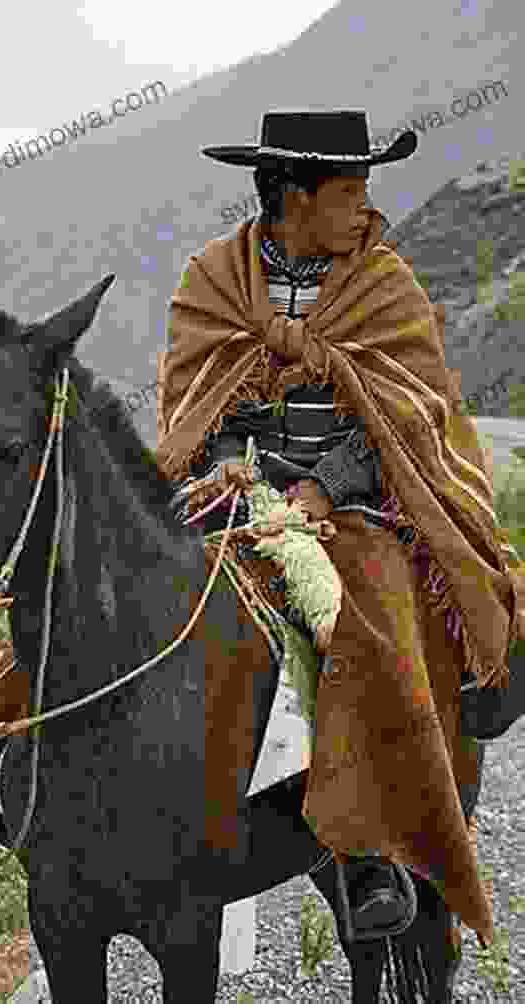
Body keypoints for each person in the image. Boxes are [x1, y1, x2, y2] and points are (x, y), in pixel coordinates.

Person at [155, 110, 523, 946]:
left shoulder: (385, 283)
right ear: (292, 195)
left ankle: (373, 848)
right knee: (117, 576)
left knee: (379, 619)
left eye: (365, 189)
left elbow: (407, 413)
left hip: (355, 504)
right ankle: (24, 757)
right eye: (350, 191)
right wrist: (225, 462)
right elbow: (194, 397)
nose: (367, 208)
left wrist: (323, 488)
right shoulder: (213, 278)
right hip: (232, 492)